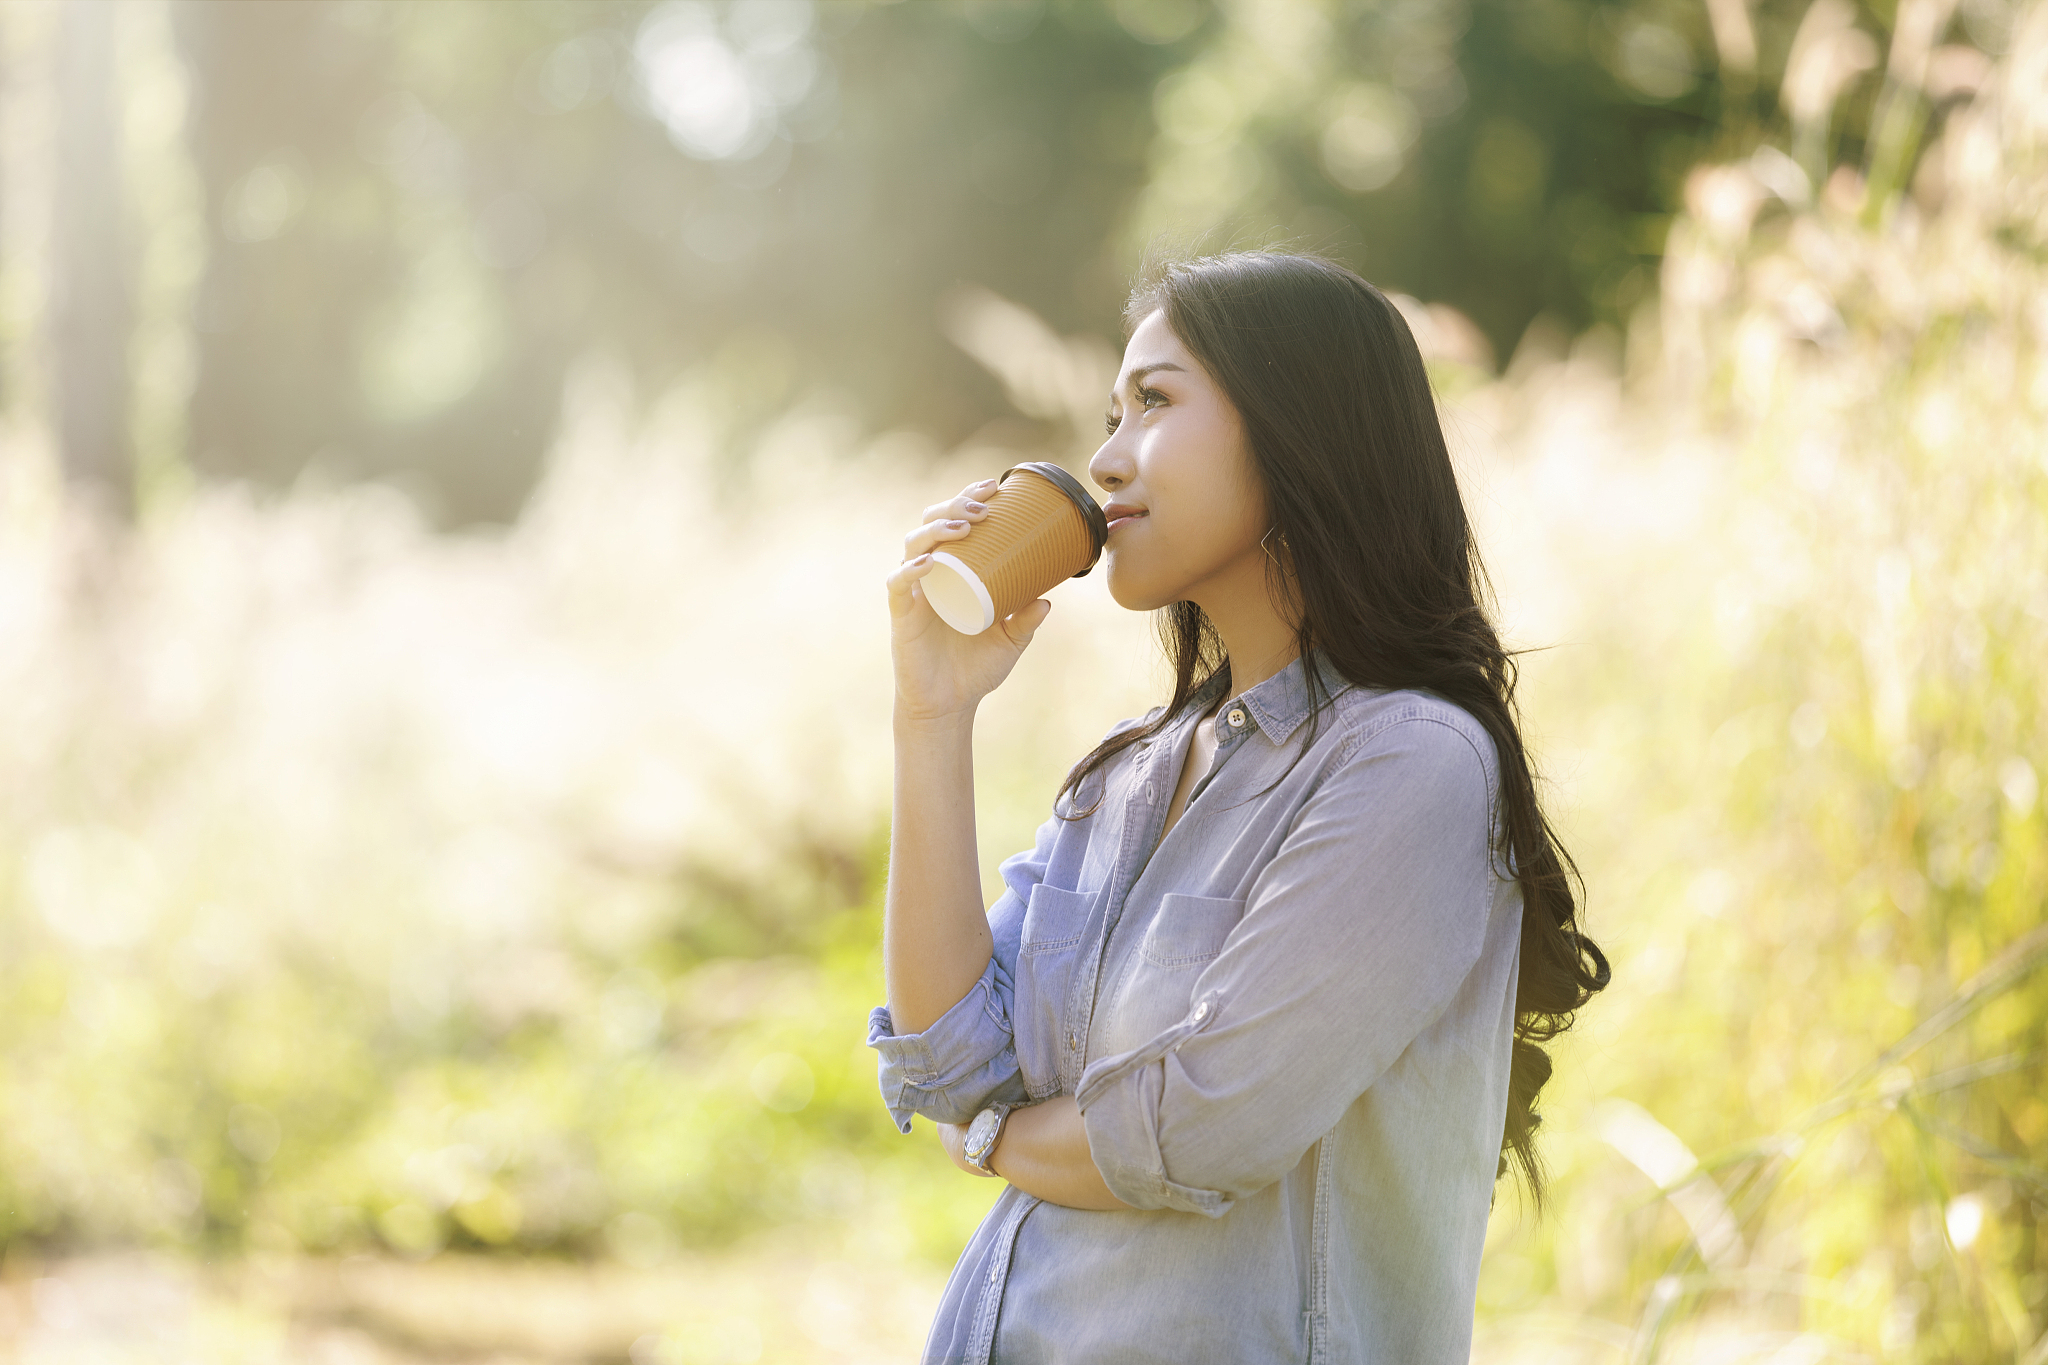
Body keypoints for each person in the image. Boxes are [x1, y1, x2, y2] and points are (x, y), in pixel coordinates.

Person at [869, 250, 1610, 1364]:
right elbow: (948, 1060)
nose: (1105, 459)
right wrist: (930, 716)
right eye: (1108, 412)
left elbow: (1200, 1125)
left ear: (1295, 427)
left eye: (1153, 402)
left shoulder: (1409, 763)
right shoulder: (1124, 780)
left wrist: (983, 1142)